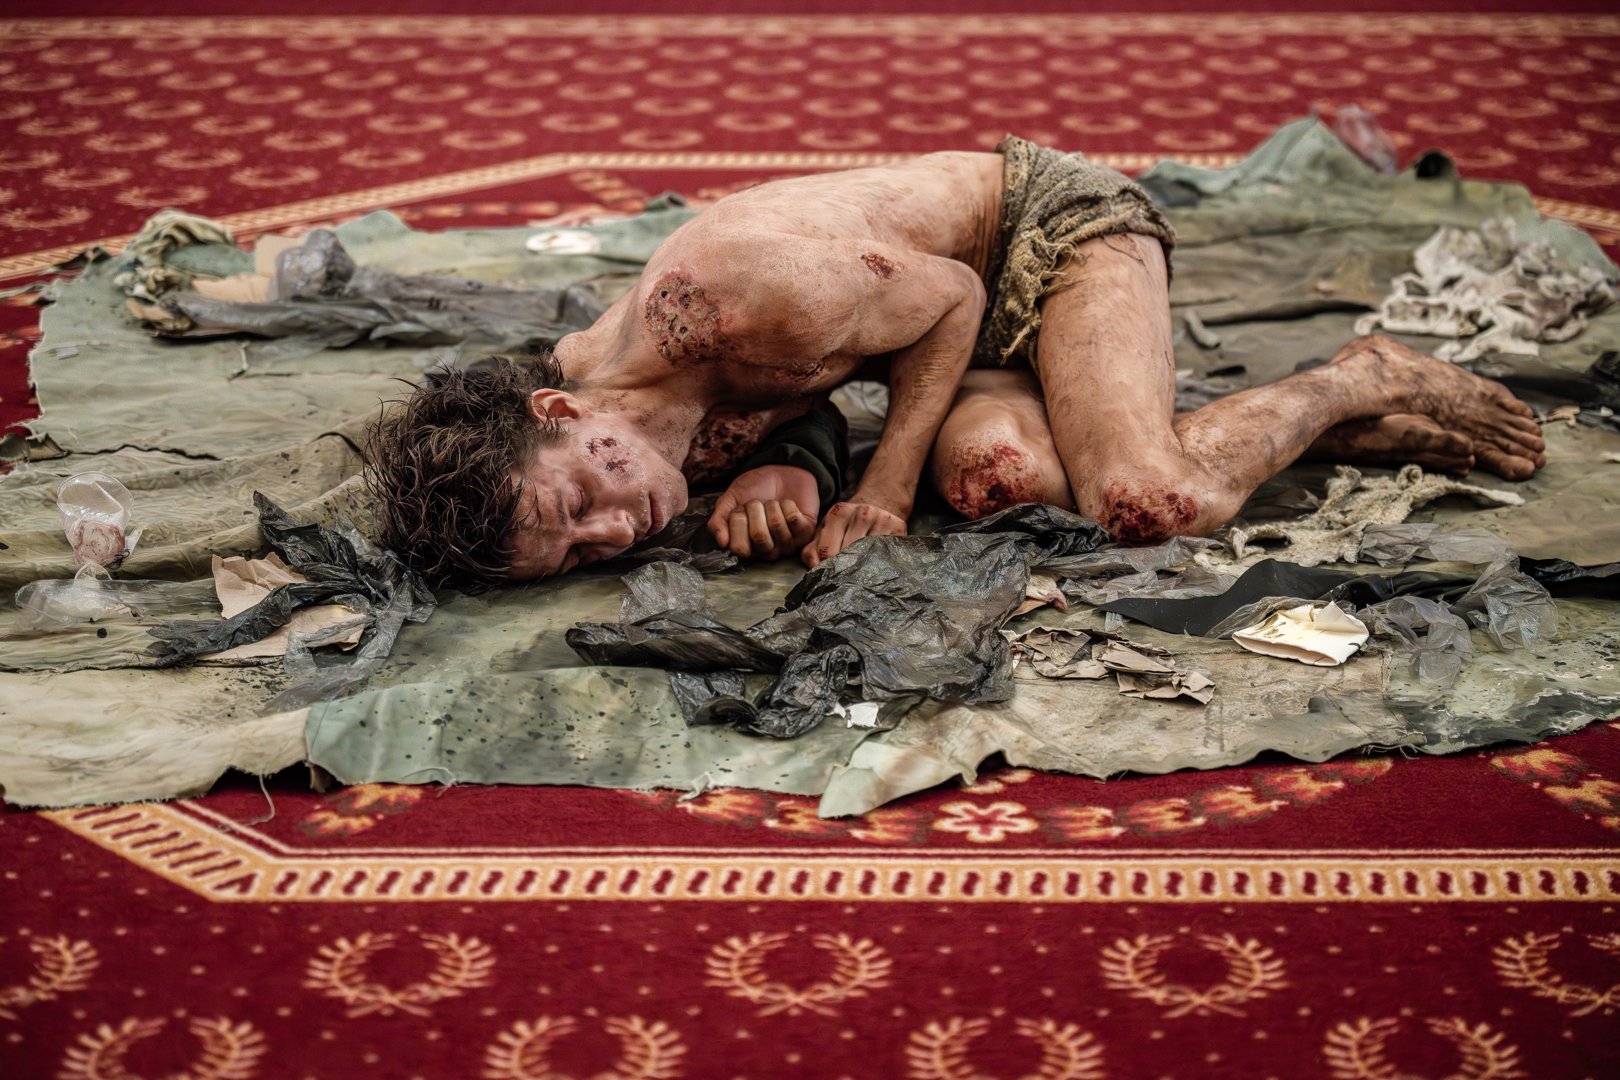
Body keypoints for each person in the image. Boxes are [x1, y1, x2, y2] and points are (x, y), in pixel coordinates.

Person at [365, 138, 1546, 589]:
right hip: (927, 334)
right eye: (580, 553)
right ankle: (1321, 431)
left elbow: (953, 299)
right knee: (1008, 490)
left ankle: (1362, 379)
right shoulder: (605, 410)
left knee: (1153, 498)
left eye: (581, 499)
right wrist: (798, 468)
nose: (618, 530)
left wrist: (879, 491)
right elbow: (798, 403)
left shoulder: (728, 304)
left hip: (1042, 239)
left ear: (556, 410)